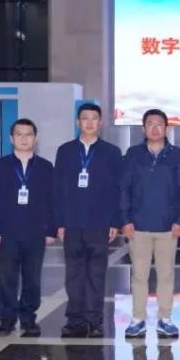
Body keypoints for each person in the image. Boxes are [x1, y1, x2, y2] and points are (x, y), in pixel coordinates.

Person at [54, 103, 123, 338]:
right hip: (72, 223)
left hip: (99, 223)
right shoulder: (65, 151)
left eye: (94, 118)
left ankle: (94, 320)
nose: (90, 123)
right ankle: (74, 320)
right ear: (78, 122)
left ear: (100, 123)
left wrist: (114, 221)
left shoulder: (111, 152)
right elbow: (58, 188)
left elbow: (117, 189)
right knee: (73, 274)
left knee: (96, 274)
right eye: (85, 118)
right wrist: (59, 222)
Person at [120, 109, 180, 339]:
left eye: (160, 124)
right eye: (150, 124)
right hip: (138, 226)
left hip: (168, 227)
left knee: (166, 275)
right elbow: (124, 188)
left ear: (166, 128)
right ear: (143, 128)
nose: (155, 128)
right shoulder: (133, 154)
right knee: (139, 275)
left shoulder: (177, 155)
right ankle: (138, 319)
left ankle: (165, 319)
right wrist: (125, 219)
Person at [0, 118, 56, 337]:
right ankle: (6, 320)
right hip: (7, 233)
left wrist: (51, 230)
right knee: (7, 278)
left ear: (35, 138)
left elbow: (52, 200)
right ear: (11, 138)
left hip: (35, 232)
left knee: (32, 279)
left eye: (28, 134)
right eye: (19, 134)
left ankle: (28, 319)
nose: (24, 139)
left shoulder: (45, 167)